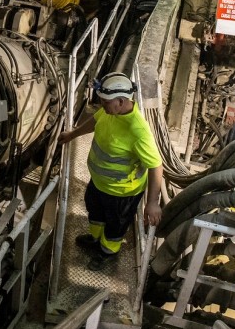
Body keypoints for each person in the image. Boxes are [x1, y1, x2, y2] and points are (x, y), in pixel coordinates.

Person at [57, 72, 166, 270]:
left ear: (121, 101)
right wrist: (73, 134)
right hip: (99, 183)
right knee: (95, 212)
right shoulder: (109, 112)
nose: (102, 105)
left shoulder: (138, 131)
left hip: (122, 193)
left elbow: (156, 165)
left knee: (115, 225)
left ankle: (107, 252)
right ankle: (95, 238)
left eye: (105, 102)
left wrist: (152, 203)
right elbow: (95, 121)